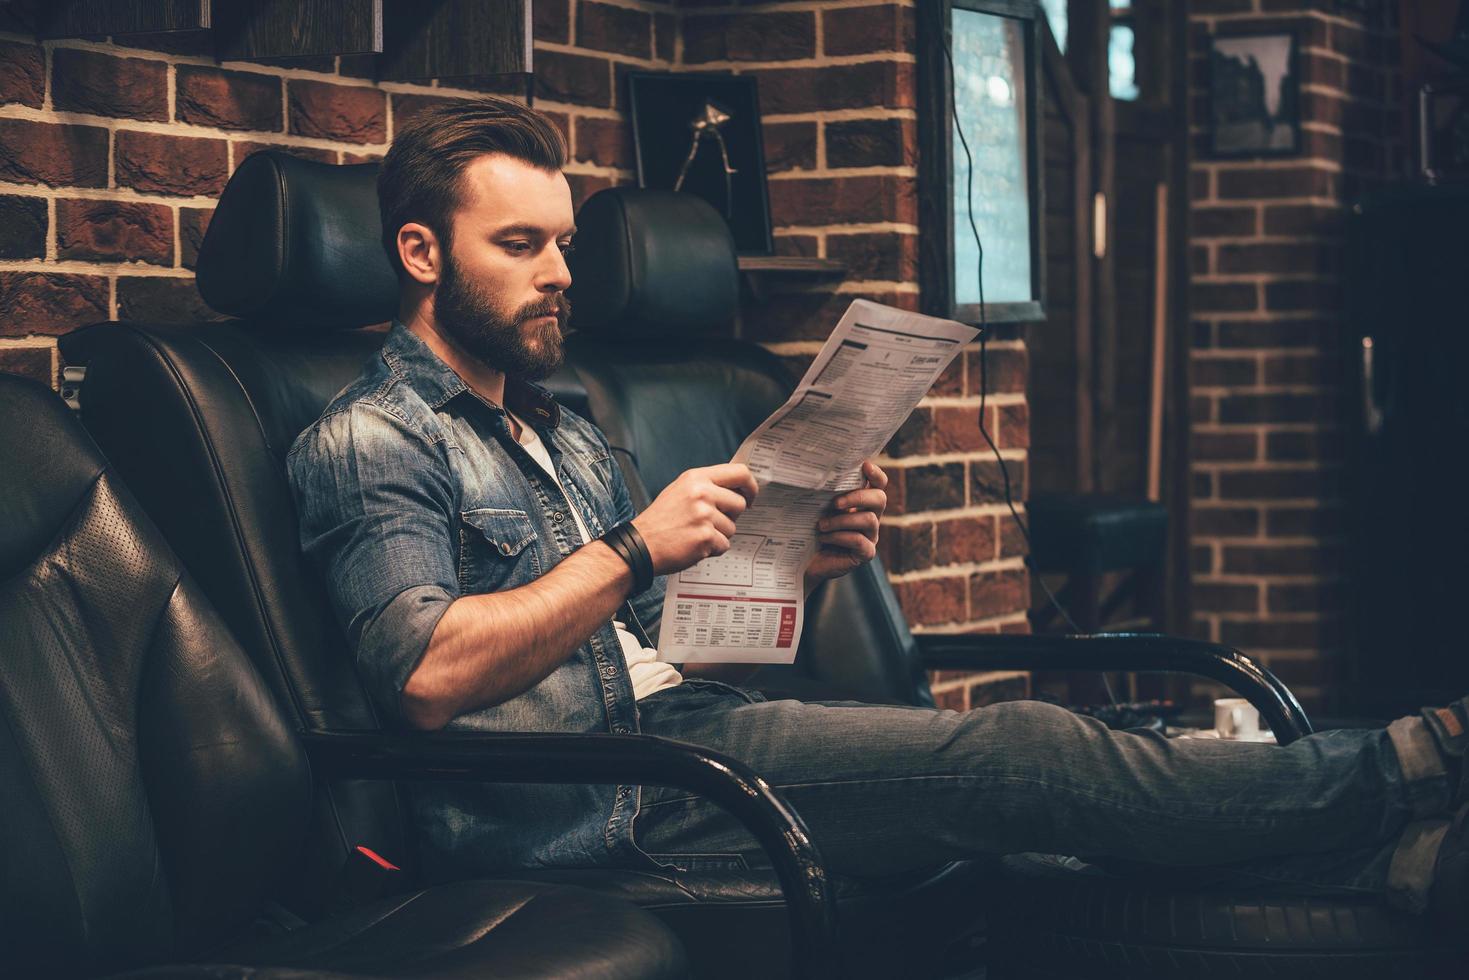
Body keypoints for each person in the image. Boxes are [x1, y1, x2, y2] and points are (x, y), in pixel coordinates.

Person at [285, 96, 1468, 920]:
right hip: (606, 798)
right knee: (1020, 747)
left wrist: (800, 563)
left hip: (677, 729)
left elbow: (656, 640)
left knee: (1058, 826)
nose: (560, 273)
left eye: (563, 244)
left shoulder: (559, 419)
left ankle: (1397, 864)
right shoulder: (368, 439)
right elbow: (425, 675)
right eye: (521, 245)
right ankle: (1398, 776)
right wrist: (633, 543)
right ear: (419, 252)